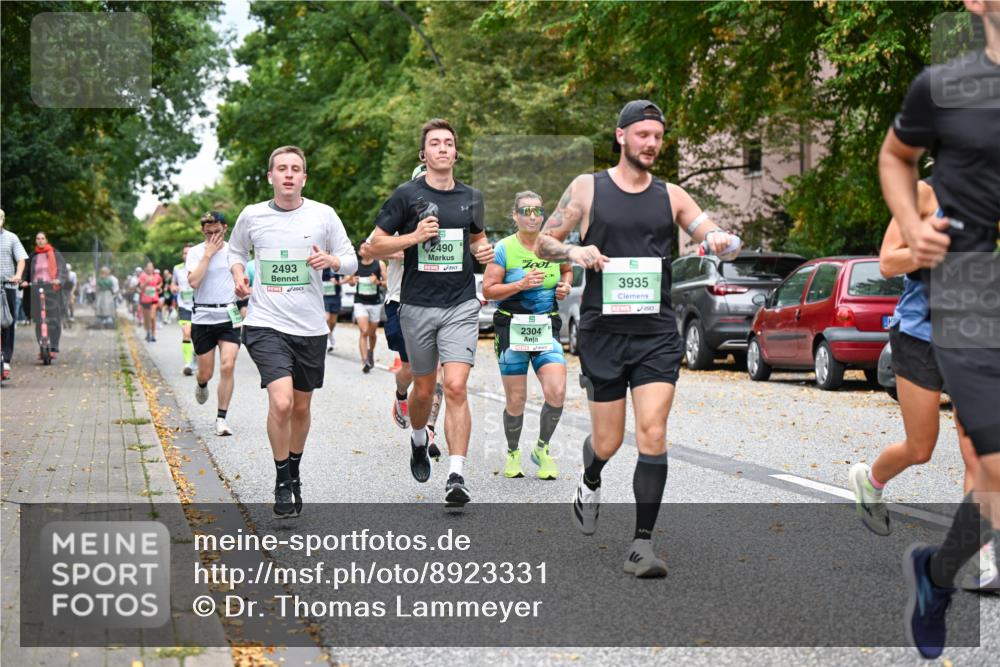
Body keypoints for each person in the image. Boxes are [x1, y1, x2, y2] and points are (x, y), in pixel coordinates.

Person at [534, 100, 740, 577]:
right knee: (607, 441)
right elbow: (543, 242)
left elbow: (712, 233)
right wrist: (575, 250)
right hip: (604, 333)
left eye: (658, 137)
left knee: (652, 432)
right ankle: (590, 478)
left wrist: (720, 240)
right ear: (621, 135)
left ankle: (641, 546)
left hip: (655, 334)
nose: (651, 144)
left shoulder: (672, 196)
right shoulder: (588, 188)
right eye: (643, 134)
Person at [878, 1, 1000, 657]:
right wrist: (915, 235)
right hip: (954, 314)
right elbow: (894, 159)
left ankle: (938, 571)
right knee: (954, 456)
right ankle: (876, 484)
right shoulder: (944, 91)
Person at [849, 179, 996, 588]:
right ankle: (870, 482)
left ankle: (983, 558)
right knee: (920, 447)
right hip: (919, 336)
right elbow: (888, 262)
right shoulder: (924, 195)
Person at [366, 118, 493, 506]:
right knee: (423, 390)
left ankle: (456, 475)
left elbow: (477, 239)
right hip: (417, 306)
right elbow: (373, 246)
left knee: (455, 386)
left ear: (456, 152)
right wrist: (415, 237)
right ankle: (419, 438)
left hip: (460, 304)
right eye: (435, 143)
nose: (442, 148)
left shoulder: (472, 197)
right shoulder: (406, 196)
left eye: (448, 143)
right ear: (424, 154)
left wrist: (484, 251)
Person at [229, 145, 357, 517]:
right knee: (282, 402)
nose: (288, 174)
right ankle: (282, 478)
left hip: (310, 328)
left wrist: (332, 260)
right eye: (282, 168)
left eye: (295, 169)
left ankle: (294, 470)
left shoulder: (323, 215)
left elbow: (352, 259)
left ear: (304, 177)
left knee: (301, 407)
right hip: (264, 324)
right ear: (270, 176)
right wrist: (238, 275)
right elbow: (235, 252)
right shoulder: (252, 215)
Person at [483, 191, 571, 480]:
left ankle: (541, 448)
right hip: (511, 327)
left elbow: (567, 271)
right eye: (525, 211)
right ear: (515, 215)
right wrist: (520, 284)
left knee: (556, 392)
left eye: (537, 211)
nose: (532, 217)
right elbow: (489, 290)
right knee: (516, 399)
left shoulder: (554, 246)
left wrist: (565, 286)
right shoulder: (504, 248)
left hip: (546, 325)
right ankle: (513, 452)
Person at [365, 164, 444, 456]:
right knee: (411, 369)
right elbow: (369, 248)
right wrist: (405, 245)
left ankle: (429, 431)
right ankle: (401, 393)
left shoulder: (449, 218)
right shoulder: (398, 217)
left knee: (437, 371)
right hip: (402, 301)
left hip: (440, 304)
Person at [187, 212, 242, 437]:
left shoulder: (234, 251)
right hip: (203, 317)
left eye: (217, 232)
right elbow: (193, 282)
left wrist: (243, 288)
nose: (213, 237)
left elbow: (241, 278)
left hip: (229, 314)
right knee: (206, 373)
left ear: (225, 228)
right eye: (208, 233)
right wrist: (207, 255)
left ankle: (221, 418)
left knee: (228, 365)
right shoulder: (195, 252)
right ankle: (201, 384)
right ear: (203, 231)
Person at [21, 231, 71, 360]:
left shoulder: (55, 253)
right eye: (38, 238)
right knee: (39, 320)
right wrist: (24, 281)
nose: (40, 241)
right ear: (35, 241)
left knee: (54, 320)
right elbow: (26, 271)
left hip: (52, 288)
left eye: (42, 238)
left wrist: (59, 279)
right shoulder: (32, 256)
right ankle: (42, 346)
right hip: (36, 288)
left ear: (46, 240)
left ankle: (53, 347)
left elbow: (62, 270)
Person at [1, 209, 28, 381]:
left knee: (8, 321)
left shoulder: (11, 238)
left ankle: (6, 358)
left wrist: (18, 275)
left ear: (3, 220)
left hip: (8, 285)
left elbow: (21, 259)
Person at [349, 252, 386, 373]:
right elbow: (350, 281)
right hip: (360, 302)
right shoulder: (356, 265)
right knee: (364, 331)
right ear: (360, 251)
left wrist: (378, 282)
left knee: (372, 333)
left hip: (375, 303)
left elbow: (387, 283)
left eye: (367, 247)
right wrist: (352, 280)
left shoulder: (380, 264)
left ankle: (370, 352)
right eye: (362, 248)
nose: (365, 250)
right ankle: (365, 361)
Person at [172, 244, 197, 375]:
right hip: (183, 306)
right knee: (186, 333)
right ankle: (188, 363)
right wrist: (174, 288)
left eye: (189, 253)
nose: (186, 255)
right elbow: (173, 284)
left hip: (198, 306)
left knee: (196, 336)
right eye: (184, 253)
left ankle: (195, 358)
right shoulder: (177, 268)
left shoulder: (199, 267)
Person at [137, 262, 162, 342]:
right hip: (145, 300)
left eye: (151, 266)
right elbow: (140, 286)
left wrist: (158, 287)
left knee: (152, 317)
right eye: (148, 267)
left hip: (154, 299)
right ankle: (148, 332)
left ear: (153, 268)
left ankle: (153, 334)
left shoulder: (156, 276)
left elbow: (161, 282)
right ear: (146, 268)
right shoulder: (143, 276)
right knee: (147, 318)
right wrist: (146, 282)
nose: (150, 268)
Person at [321, 268, 342, 353]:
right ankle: (327, 341)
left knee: (333, 321)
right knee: (327, 318)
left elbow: (346, 278)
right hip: (324, 297)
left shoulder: (335, 266)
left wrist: (338, 282)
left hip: (335, 296)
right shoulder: (319, 267)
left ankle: (329, 334)